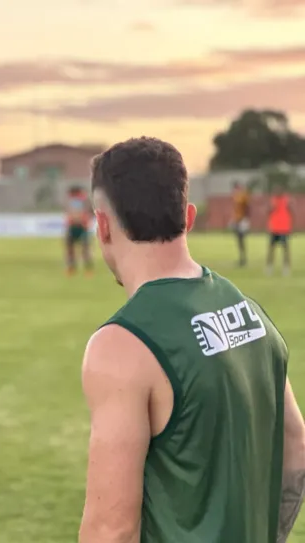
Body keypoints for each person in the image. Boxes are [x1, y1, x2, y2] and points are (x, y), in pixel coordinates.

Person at [78, 137, 305, 543]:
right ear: (188, 216)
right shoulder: (249, 313)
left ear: (104, 225)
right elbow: (297, 448)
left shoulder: (122, 344)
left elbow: (111, 530)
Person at [64, 186, 93, 275]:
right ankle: (72, 267)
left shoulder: (83, 200)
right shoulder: (72, 201)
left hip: (81, 226)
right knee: (72, 249)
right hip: (74, 226)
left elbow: (88, 212)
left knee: (84, 249)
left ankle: (86, 268)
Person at [266, 184, 294, 276]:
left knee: (285, 249)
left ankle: (286, 268)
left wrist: (291, 225)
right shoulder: (273, 200)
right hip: (274, 228)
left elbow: (291, 211)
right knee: (271, 248)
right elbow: (269, 211)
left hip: (284, 228)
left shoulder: (287, 200)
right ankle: (269, 267)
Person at [230, 181, 250, 267]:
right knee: (239, 240)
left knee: (241, 240)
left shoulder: (243, 196)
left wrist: (245, 219)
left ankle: (243, 259)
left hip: (241, 220)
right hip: (237, 220)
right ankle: (242, 258)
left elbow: (247, 207)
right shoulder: (235, 196)